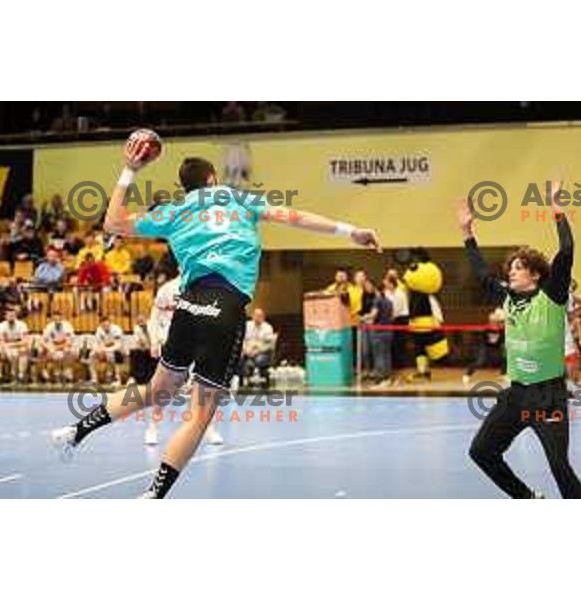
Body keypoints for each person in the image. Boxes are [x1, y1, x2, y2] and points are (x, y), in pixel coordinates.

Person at [51, 138, 380, 499]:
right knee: (200, 415)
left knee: (155, 392)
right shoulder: (239, 199)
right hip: (223, 308)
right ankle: (153, 495)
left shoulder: (175, 211)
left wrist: (130, 169)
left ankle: (75, 431)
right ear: (211, 179)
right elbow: (297, 217)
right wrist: (352, 231)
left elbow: (113, 222)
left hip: (188, 306)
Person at [460, 187, 581, 498]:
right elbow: (480, 272)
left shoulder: (551, 295)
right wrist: (467, 234)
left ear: (535, 275)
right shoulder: (507, 297)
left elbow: (566, 250)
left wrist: (558, 211)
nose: (511, 273)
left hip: (548, 398)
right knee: (481, 452)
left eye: (518, 268)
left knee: (559, 467)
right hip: (517, 396)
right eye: (510, 268)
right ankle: (528, 499)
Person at [144, 273, 224, 446]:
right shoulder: (167, 289)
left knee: (205, 387)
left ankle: (210, 428)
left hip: (200, 342)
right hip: (173, 343)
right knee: (165, 389)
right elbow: (154, 318)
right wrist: (154, 340)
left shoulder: (207, 288)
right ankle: (153, 427)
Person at [240, 308, 276, 388]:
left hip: (262, 352)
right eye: (256, 315)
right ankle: (242, 383)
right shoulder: (247, 325)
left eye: (260, 316)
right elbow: (242, 340)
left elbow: (270, 345)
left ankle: (263, 385)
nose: (257, 317)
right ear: (252, 316)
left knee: (260, 360)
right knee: (239, 359)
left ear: (263, 317)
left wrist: (257, 351)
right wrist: (245, 350)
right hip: (247, 350)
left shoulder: (267, 327)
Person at [40, 310, 75, 384]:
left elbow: (69, 342)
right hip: (53, 347)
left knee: (69, 351)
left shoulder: (67, 326)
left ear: (62, 318)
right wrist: (49, 348)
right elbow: (43, 341)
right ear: (53, 319)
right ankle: (54, 373)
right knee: (44, 351)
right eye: (55, 319)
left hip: (64, 347)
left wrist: (56, 348)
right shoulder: (49, 327)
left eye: (59, 319)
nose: (57, 321)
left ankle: (67, 371)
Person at [0, 307, 29, 385]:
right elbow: (0, 341)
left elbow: (25, 341)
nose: (11, 317)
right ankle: (9, 375)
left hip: (16, 345)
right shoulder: (1, 325)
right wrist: (6, 347)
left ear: (16, 316)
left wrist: (12, 345)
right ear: (5, 316)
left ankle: (21, 376)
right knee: (10, 353)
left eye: (13, 315)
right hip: (5, 346)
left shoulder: (22, 325)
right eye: (9, 315)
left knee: (23, 351)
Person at [89, 315, 124, 385]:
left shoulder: (117, 329)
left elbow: (117, 345)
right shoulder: (99, 330)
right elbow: (97, 343)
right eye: (103, 325)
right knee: (92, 355)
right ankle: (94, 378)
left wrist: (105, 350)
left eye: (106, 325)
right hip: (104, 350)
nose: (105, 327)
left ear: (110, 323)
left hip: (118, 350)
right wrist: (97, 349)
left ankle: (115, 378)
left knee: (111, 355)